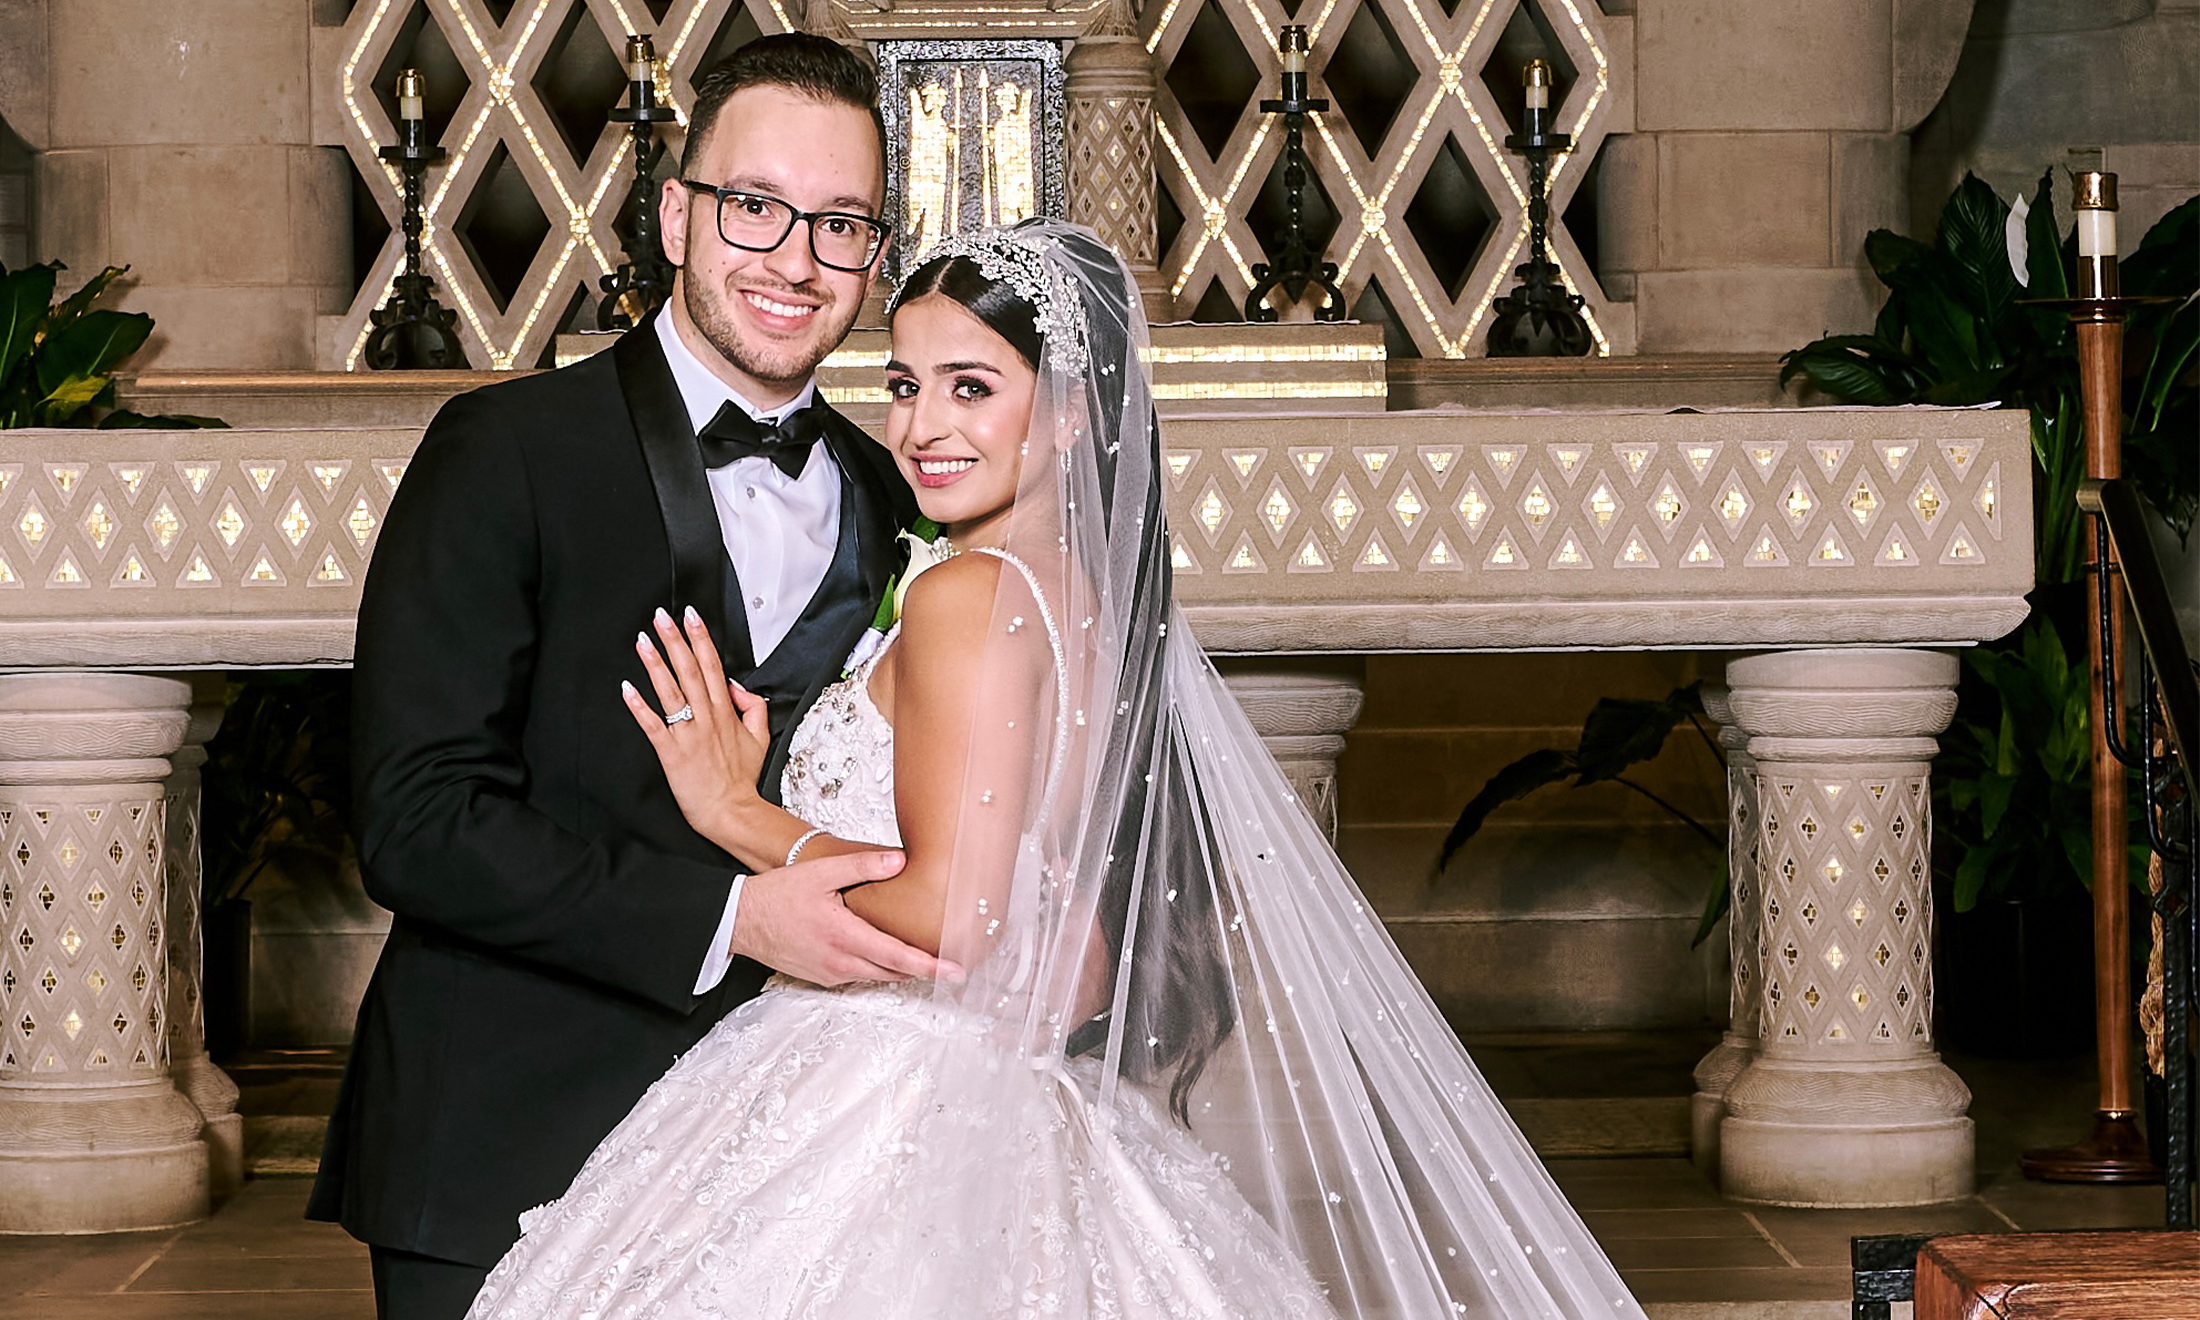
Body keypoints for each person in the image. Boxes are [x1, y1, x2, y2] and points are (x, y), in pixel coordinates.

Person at [465, 218, 1644, 1319]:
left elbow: (957, 916)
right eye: (904, 385)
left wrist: (736, 811)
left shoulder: (969, 596)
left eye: (971, 387)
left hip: (885, 1088)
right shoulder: (1079, 598)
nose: (922, 427)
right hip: (1002, 1080)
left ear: (1073, 415)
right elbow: (1059, 931)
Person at [307, 35, 945, 1320]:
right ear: (675, 215)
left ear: (875, 256)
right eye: (754, 206)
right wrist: (730, 918)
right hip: (502, 1137)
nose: (794, 261)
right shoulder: (502, 450)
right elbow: (419, 822)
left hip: (785, 1167)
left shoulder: (897, 498)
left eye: (839, 224)